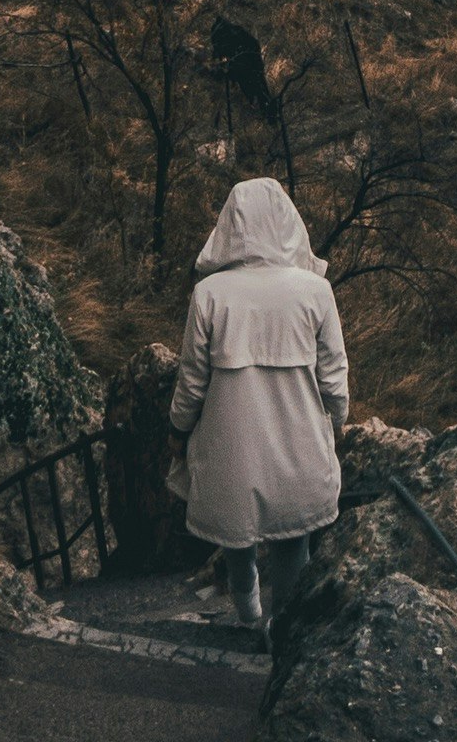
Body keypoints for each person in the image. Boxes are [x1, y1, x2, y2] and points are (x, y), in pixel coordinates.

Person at [166, 178, 349, 633]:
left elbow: (191, 380)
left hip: (233, 444)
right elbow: (334, 376)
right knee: (293, 544)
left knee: (236, 533)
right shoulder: (315, 292)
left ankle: (248, 610)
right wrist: (339, 420)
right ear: (288, 224)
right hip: (299, 438)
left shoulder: (209, 294)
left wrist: (178, 427)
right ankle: (281, 630)